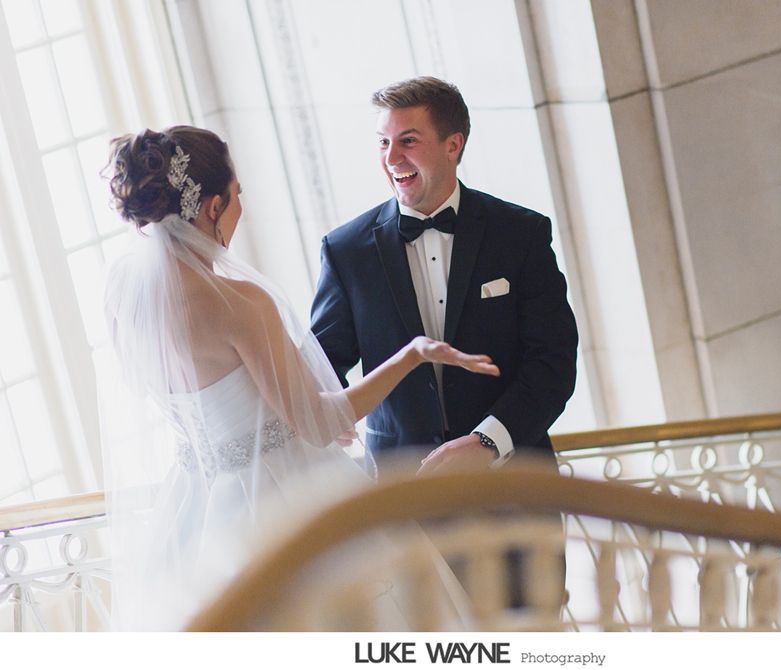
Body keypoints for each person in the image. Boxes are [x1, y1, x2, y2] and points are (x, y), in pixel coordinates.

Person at [100, 125, 496, 630]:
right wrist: (412, 355)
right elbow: (318, 421)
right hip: (286, 502)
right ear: (212, 207)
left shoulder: (121, 297)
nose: (241, 208)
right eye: (237, 196)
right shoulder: (239, 304)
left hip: (196, 511)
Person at [310, 76, 578, 476]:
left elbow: (553, 362)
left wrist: (488, 441)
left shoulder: (520, 234)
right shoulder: (346, 251)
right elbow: (319, 367)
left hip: (517, 486)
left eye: (408, 141)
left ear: (453, 145)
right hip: (402, 494)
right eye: (383, 142)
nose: (392, 158)